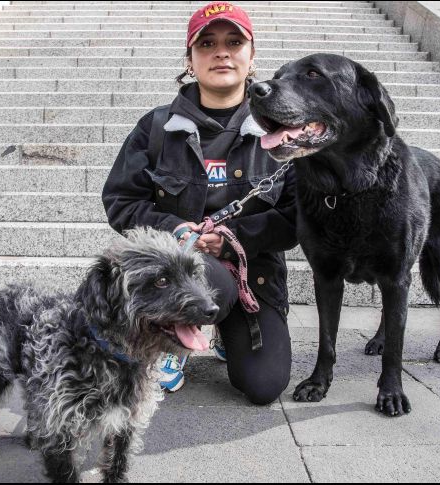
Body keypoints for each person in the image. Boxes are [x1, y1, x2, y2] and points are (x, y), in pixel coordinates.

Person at [102, 2, 298, 405]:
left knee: (263, 386)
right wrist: (173, 227)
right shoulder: (156, 128)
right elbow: (121, 201)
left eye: (233, 42)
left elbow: (296, 218)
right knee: (199, 269)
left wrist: (233, 240)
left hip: (252, 279)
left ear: (251, 56)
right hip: (174, 276)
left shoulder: (280, 134)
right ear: (190, 60)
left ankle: (226, 328)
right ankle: (171, 337)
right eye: (206, 43)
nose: (221, 52)